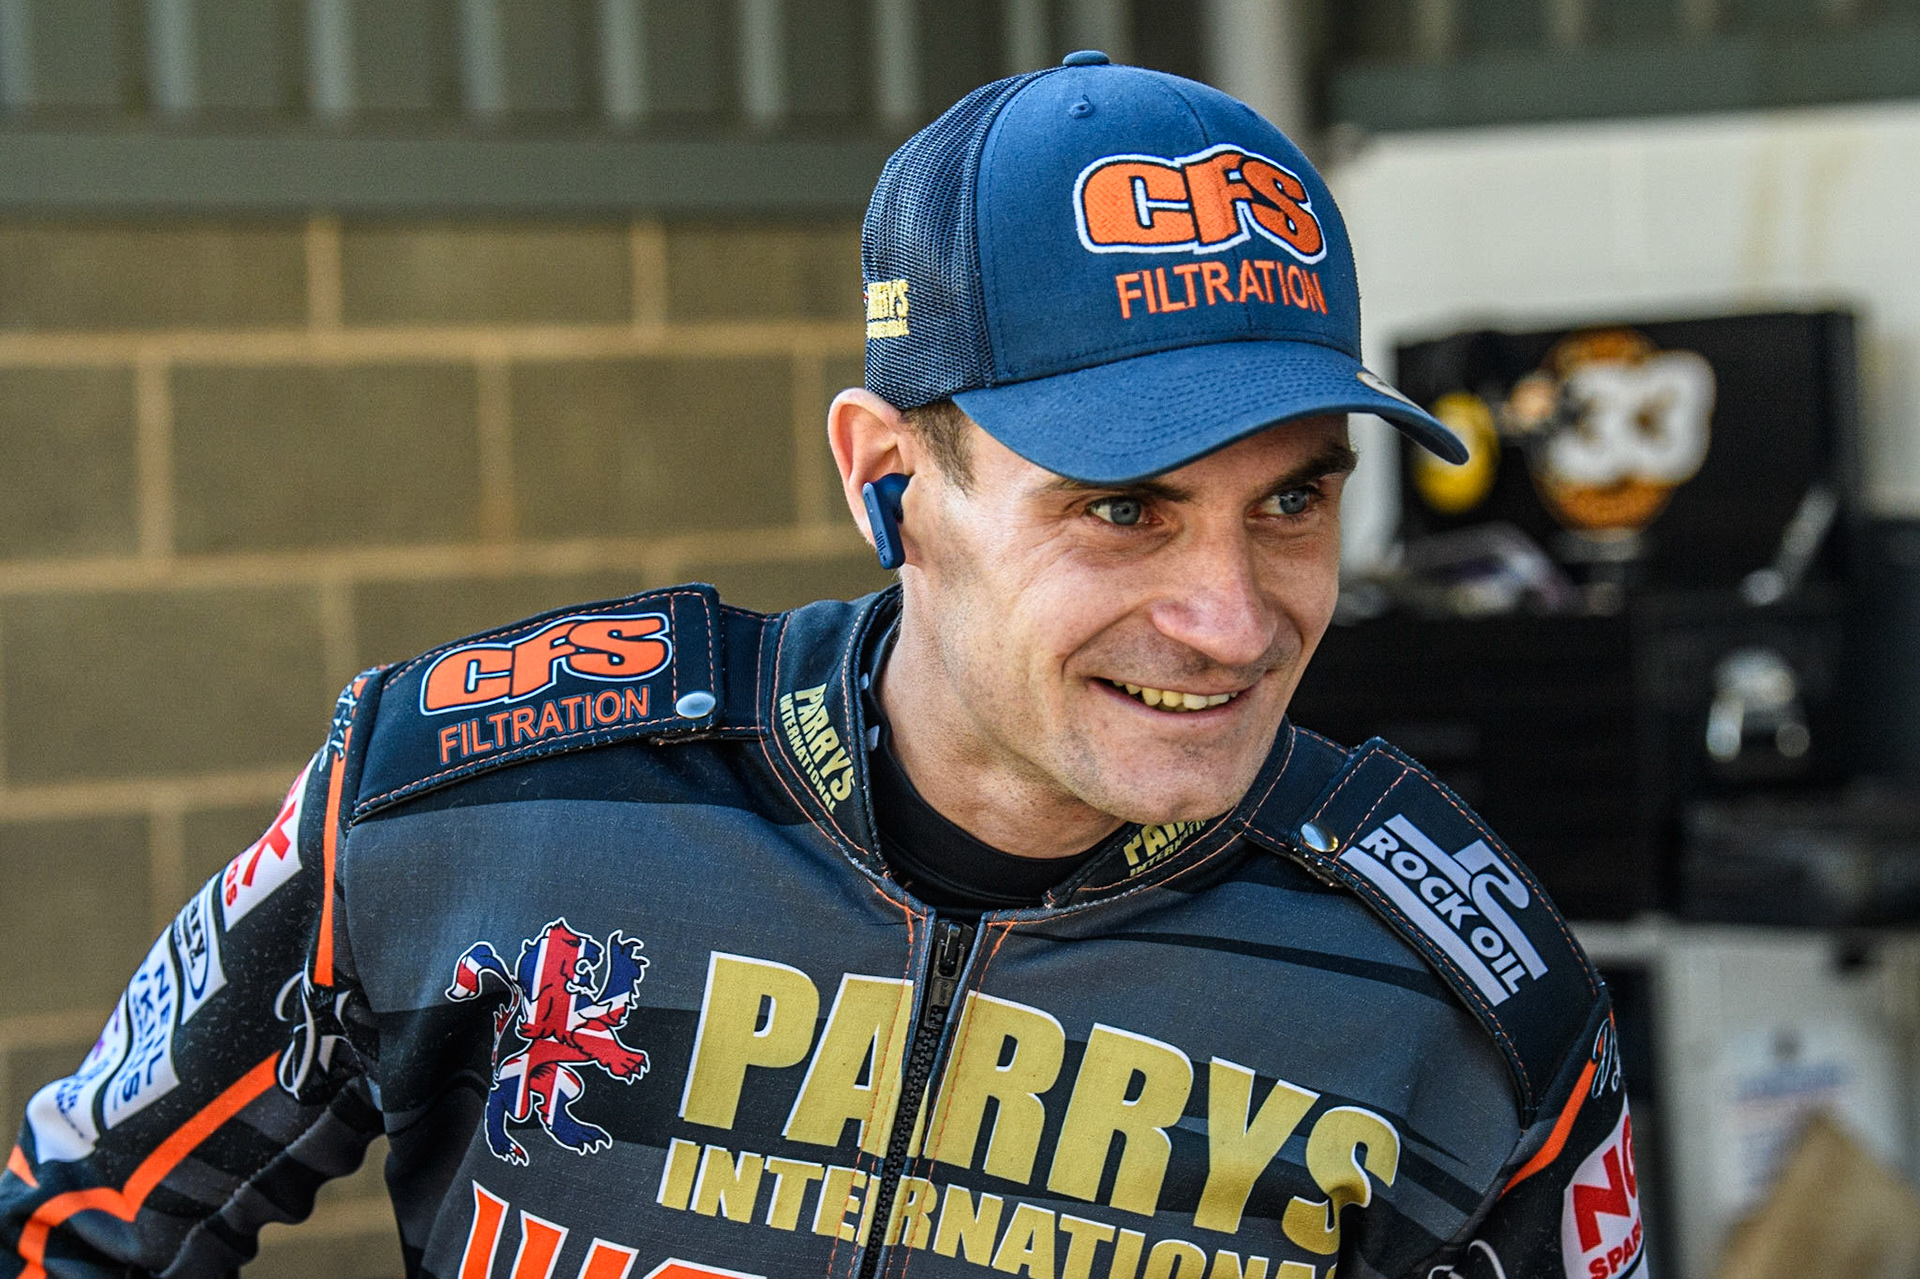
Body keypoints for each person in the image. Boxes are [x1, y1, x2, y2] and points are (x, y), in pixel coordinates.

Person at [2, 54, 1644, 1279]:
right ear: (885, 478)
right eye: (1124, 509)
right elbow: (77, 1229)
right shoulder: (482, 793)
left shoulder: (1470, 1000)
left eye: (1292, 500)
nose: (1232, 616)